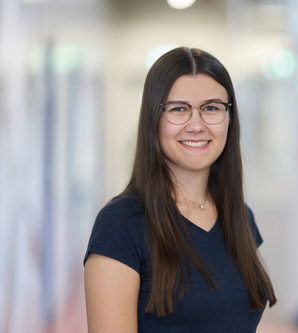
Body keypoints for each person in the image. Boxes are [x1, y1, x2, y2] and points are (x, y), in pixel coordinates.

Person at [84, 47, 277, 333]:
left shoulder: (239, 217)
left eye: (211, 107)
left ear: (229, 118)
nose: (196, 125)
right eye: (178, 109)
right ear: (154, 119)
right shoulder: (121, 226)